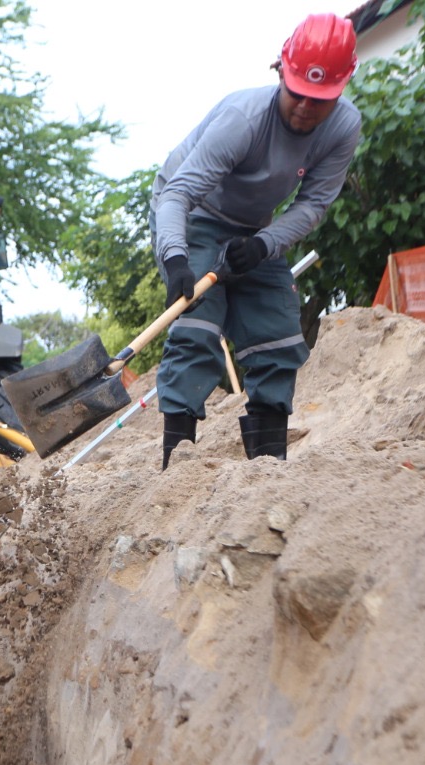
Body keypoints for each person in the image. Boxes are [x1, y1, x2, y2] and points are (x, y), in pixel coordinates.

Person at [151, 12, 362, 467]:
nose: (306, 108)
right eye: (299, 93)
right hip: (195, 211)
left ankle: (267, 471)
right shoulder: (243, 119)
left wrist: (264, 245)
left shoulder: (344, 128)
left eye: (320, 100)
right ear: (281, 73)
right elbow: (178, 194)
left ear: (342, 89)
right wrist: (175, 260)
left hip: (254, 228)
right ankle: (174, 470)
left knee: (279, 337)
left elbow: (313, 205)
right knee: (198, 329)